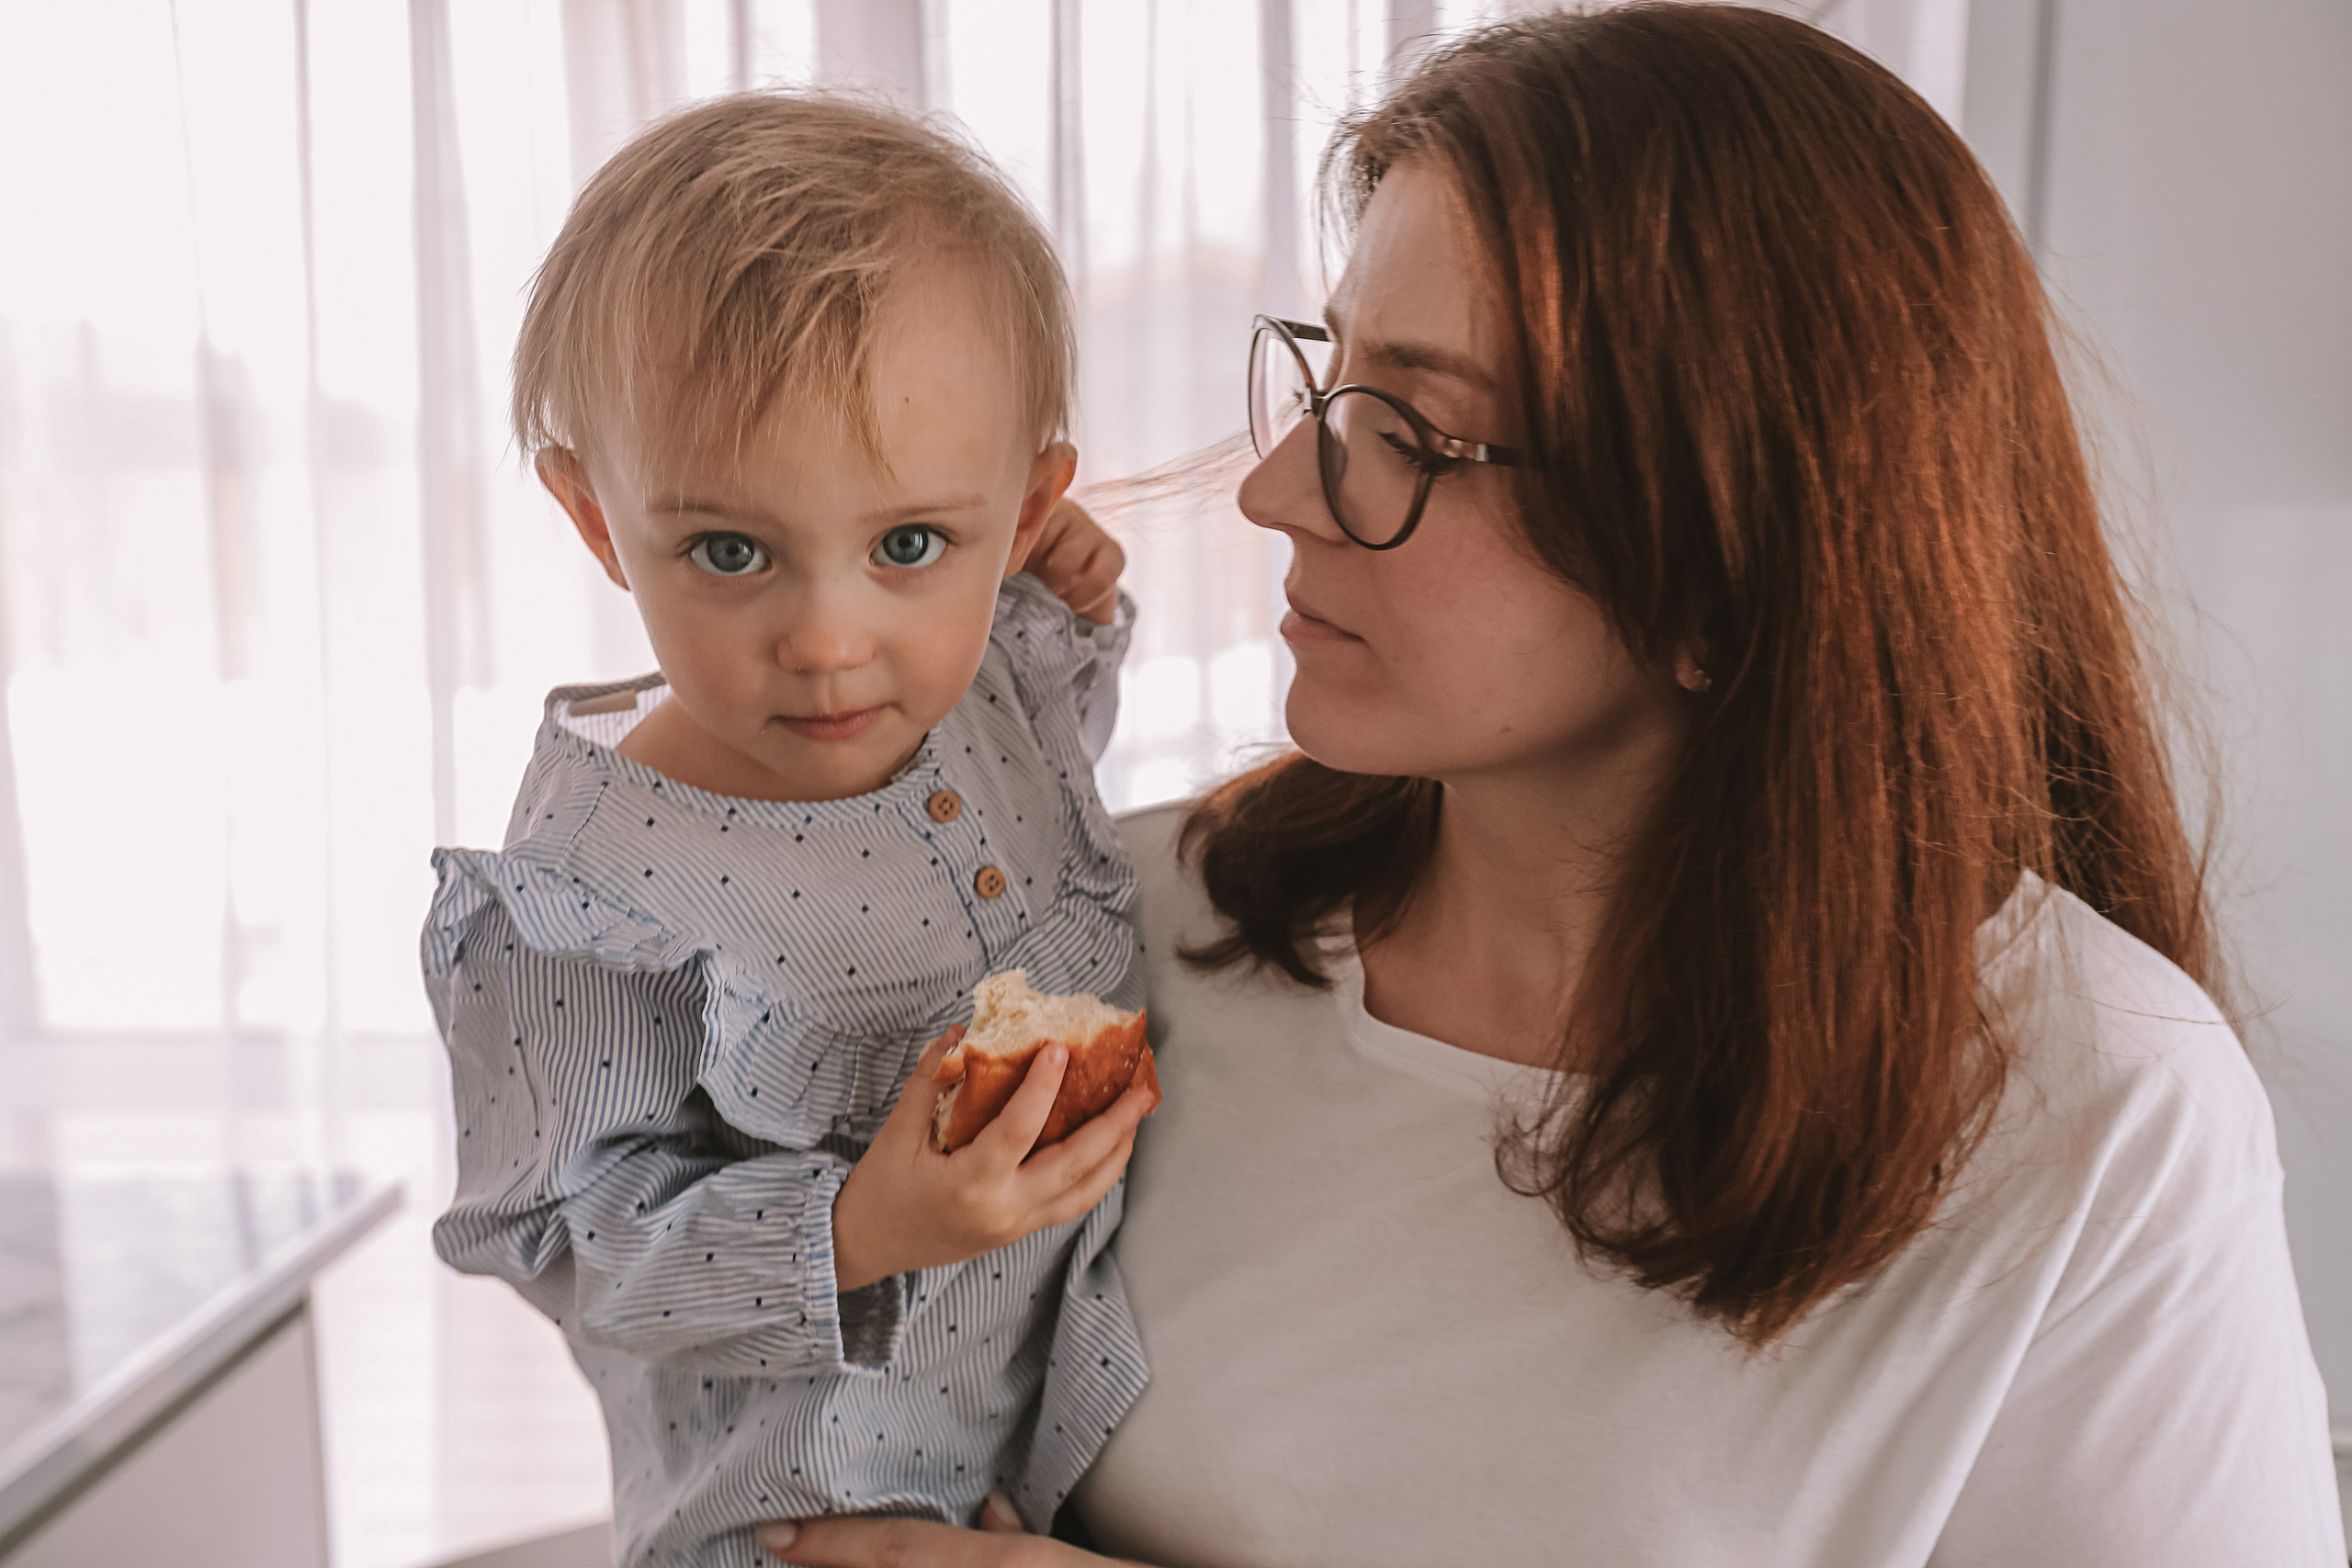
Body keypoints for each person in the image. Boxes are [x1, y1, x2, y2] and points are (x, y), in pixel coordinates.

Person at [757, 7, 2346, 1566]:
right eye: (1330, 382)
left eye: (1418, 431)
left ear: (1727, 569)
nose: (1275, 490)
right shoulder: (1121, 924)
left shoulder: (2097, 1113)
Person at [420, 94, 1161, 1567]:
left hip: (1048, 1458)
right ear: (593, 520)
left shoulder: (991, 672)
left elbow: (1055, 762)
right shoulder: (589, 899)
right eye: (729, 552)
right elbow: (570, 1245)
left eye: (907, 544)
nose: (828, 643)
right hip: (793, 1525)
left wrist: (1054, 599)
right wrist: (851, 1231)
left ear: (1020, 513)